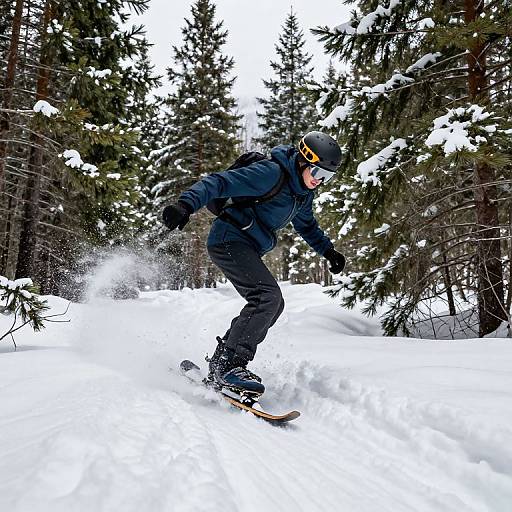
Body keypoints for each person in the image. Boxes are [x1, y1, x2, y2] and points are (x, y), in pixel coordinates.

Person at [162, 131, 346, 398]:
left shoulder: (302, 195)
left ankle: (221, 363)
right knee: (266, 297)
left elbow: (307, 226)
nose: (319, 181)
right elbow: (219, 183)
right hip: (228, 238)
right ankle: (229, 368)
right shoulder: (271, 173)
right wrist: (185, 205)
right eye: (317, 173)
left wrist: (328, 251)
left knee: (273, 301)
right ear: (304, 161)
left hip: (245, 244)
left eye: (326, 178)